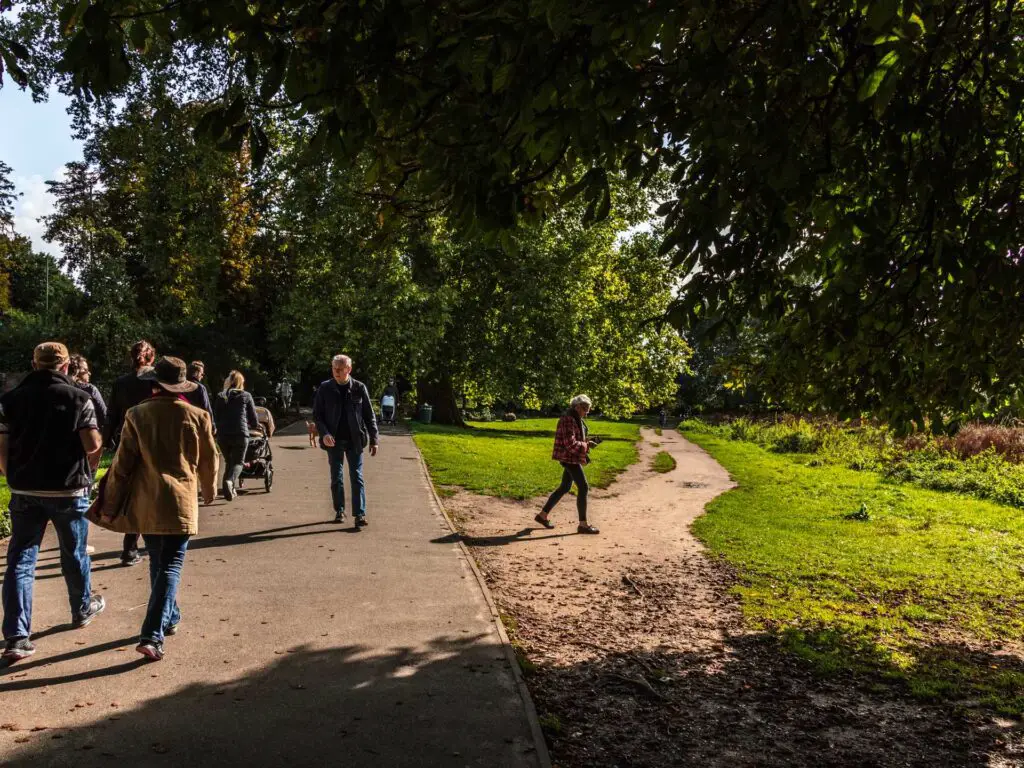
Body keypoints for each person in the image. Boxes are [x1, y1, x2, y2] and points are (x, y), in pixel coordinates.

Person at [94, 357, 217, 661]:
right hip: (181, 499)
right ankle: (152, 633)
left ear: (153, 383)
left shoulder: (136, 414)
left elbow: (122, 465)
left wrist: (110, 500)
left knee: (157, 561)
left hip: (146, 499)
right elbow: (209, 458)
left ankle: (169, 616)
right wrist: (209, 489)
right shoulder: (198, 415)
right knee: (171, 564)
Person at [0, 342, 106, 665]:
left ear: (35, 363)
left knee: (20, 557)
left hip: (25, 489)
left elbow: (1, 446)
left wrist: (12, 475)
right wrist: (89, 464)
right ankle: (81, 607)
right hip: (68, 489)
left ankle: (17, 636)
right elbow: (92, 444)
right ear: (64, 366)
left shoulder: (11, 400)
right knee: (73, 551)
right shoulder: (79, 397)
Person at [104, 340, 157, 567]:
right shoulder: (158, 381)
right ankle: (149, 544)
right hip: (155, 444)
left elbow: (112, 415)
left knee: (132, 495)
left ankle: (130, 548)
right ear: (152, 357)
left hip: (128, 443)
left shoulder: (121, 383)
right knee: (153, 494)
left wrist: (106, 442)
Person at [313, 354, 379, 526]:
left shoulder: (359, 387)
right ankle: (339, 510)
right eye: (334, 368)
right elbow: (317, 415)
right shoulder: (325, 388)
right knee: (337, 476)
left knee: (356, 476)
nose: (336, 371)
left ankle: (360, 514)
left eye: (340, 369)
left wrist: (374, 439)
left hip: (354, 439)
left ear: (349, 369)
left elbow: (369, 415)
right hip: (333, 440)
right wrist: (325, 433)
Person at [534, 394, 600, 534]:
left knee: (565, 487)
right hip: (568, 458)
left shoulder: (575, 418)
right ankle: (583, 525)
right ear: (577, 407)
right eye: (585, 409)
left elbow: (575, 439)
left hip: (571, 458)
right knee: (583, 487)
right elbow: (570, 444)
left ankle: (542, 515)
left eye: (588, 409)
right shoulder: (568, 419)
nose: (586, 413)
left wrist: (587, 443)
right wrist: (587, 446)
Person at [213, 370, 259, 501]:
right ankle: (230, 482)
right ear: (240, 382)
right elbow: (253, 418)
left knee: (229, 461)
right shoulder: (246, 395)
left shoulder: (220, 396)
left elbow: (216, 416)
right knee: (238, 462)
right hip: (240, 433)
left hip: (223, 435)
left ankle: (229, 491)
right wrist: (255, 426)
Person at [67, 354, 108, 433]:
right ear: (76, 372)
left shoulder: (61, 388)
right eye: (85, 370)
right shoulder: (90, 389)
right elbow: (104, 415)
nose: (89, 373)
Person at [184, 360, 216, 430]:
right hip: (196, 423)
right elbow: (206, 408)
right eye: (202, 374)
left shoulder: (179, 385)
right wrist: (212, 426)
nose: (202, 376)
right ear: (197, 373)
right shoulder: (200, 387)